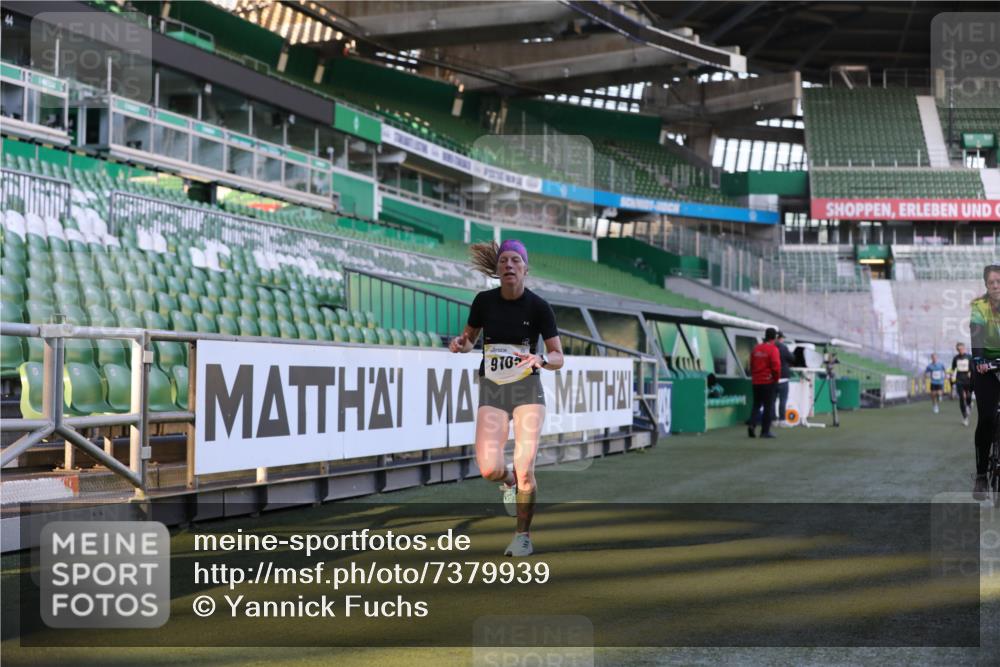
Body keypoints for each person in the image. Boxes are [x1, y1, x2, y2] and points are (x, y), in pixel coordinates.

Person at [448, 239, 564, 556]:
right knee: (489, 469)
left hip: (527, 389)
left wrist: (541, 360)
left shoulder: (539, 307)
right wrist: (461, 344)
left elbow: (558, 356)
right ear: (497, 270)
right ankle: (509, 480)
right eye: (503, 261)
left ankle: (522, 536)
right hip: (493, 389)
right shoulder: (484, 301)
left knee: (525, 465)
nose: (509, 265)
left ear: (526, 268)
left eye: (515, 260)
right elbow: (470, 339)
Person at [971, 265, 1000, 499]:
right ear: (986, 286)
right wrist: (979, 358)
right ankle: (981, 475)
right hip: (985, 367)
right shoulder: (979, 306)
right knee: (987, 417)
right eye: (992, 282)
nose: (996, 285)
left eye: (999, 281)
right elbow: (976, 332)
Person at [748, 327, 781, 439]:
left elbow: (751, 364)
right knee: (768, 406)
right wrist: (776, 379)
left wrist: (755, 376)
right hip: (768, 381)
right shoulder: (773, 349)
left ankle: (752, 425)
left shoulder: (756, 348)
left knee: (756, 404)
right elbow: (776, 366)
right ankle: (765, 431)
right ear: (775, 337)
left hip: (756, 381)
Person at [774, 331, 795, 427]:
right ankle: (782, 420)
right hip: (783, 377)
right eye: (782, 338)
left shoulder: (770, 347)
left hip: (772, 378)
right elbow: (792, 358)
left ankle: (773, 420)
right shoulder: (783, 347)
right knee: (783, 400)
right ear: (779, 338)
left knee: (772, 401)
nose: (783, 339)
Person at [951, 342, 974, 427]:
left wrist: (972, 375)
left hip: (968, 380)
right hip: (959, 380)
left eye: (961, 349)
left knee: (968, 396)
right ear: (957, 350)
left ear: (964, 348)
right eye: (958, 349)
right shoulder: (955, 358)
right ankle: (965, 417)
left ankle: (969, 404)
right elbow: (953, 369)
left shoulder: (969, 357)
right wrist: (952, 380)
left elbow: (972, 368)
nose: (960, 350)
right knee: (961, 397)